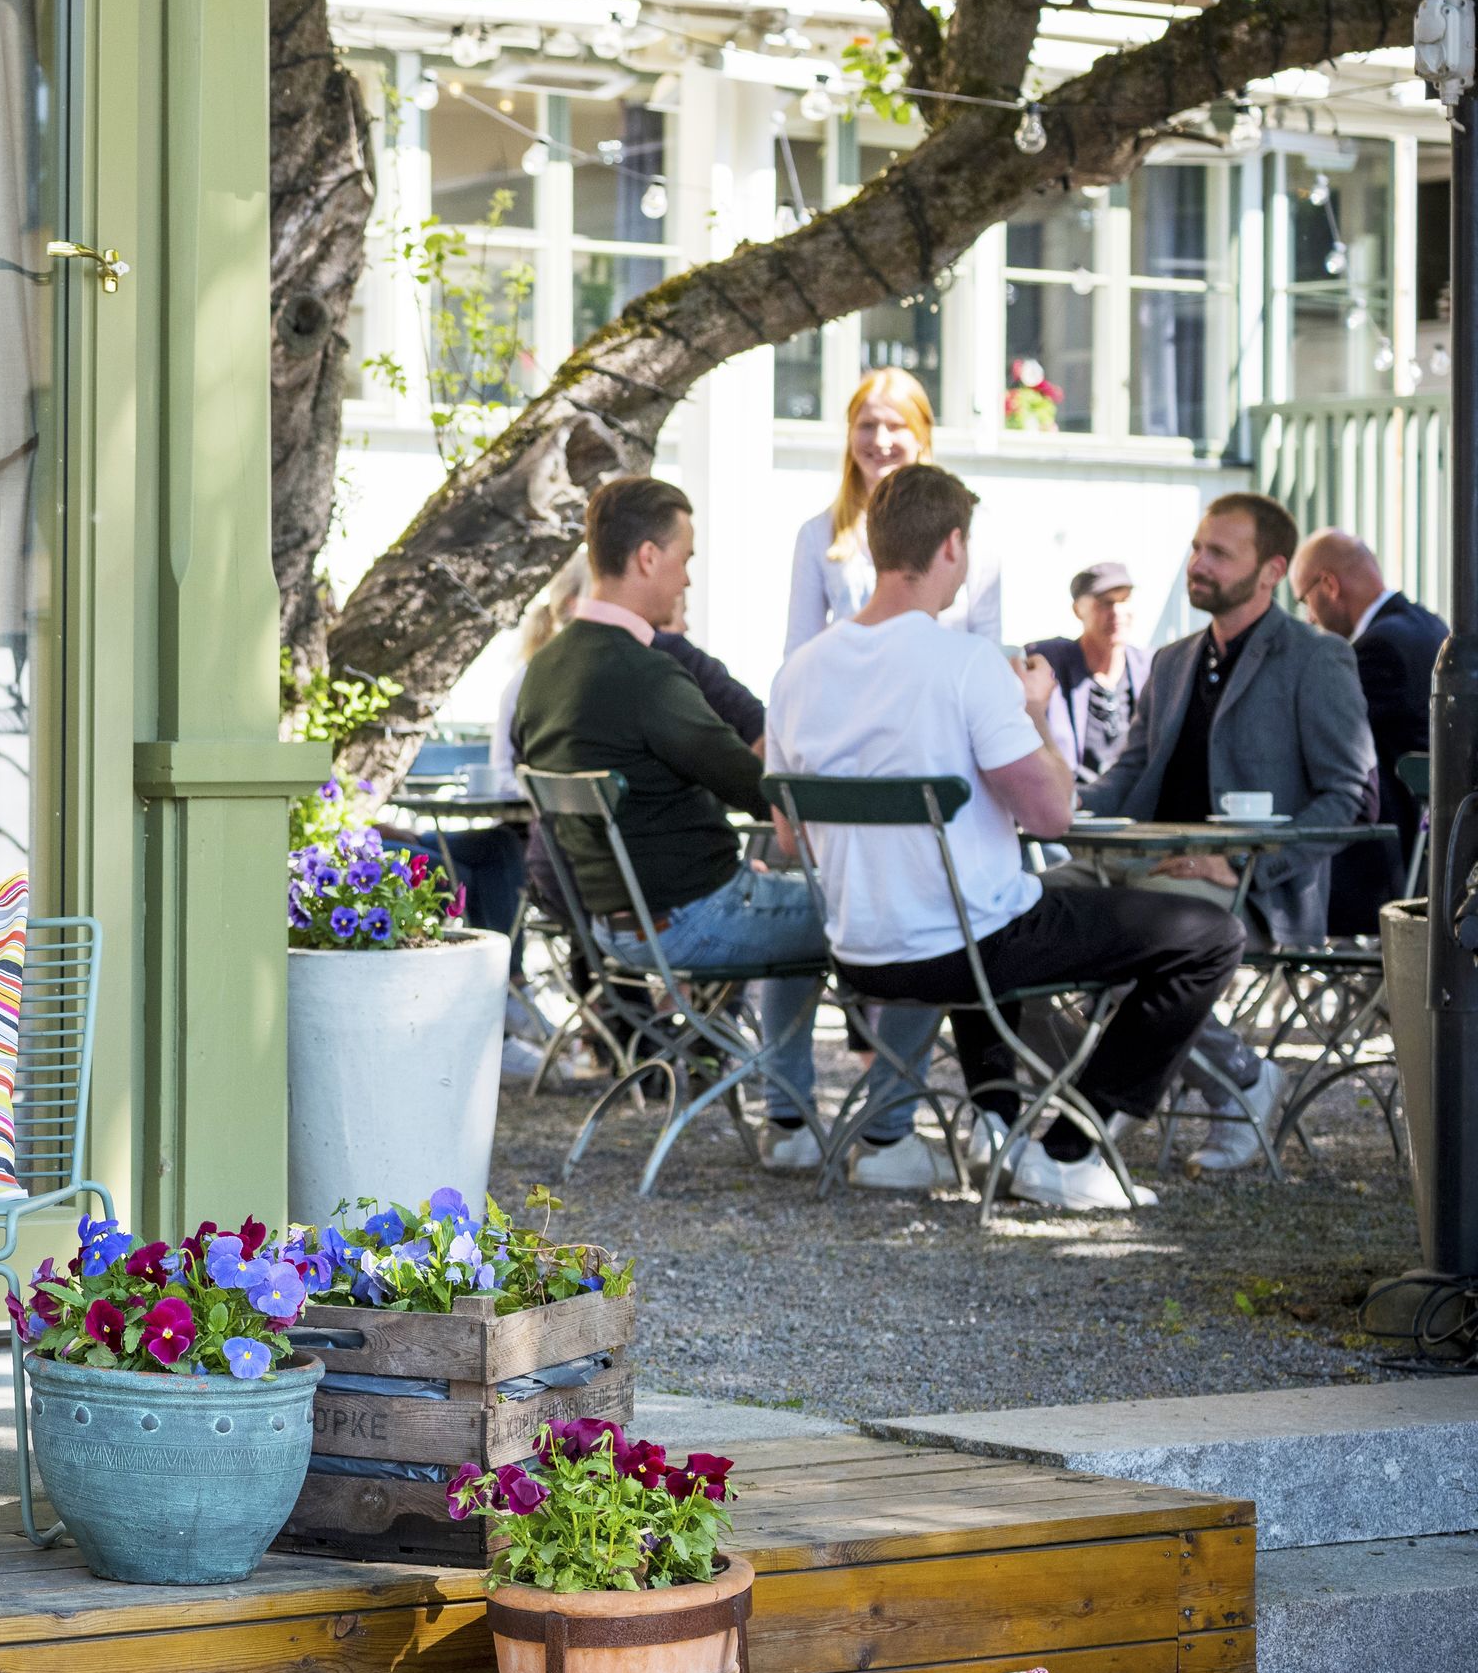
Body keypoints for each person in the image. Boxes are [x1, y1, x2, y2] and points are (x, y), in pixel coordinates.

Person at [768, 464, 1245, 1214]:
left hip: (859, 949)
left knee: (1003, 901)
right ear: (953, 546)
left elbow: (790, 844)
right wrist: (1031, 709)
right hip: (965, 948)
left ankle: (1001, 1127)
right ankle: (1069, 1148)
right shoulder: (965, 667)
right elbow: (1054, 816)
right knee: (1209, 935)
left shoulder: (797, 674)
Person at [511, 475, 931, 1183]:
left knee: (804, 907)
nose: (687, 577)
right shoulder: (645, 677)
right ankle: (890, 1138)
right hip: (698, 920)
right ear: (647, 557)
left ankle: (791, 1123)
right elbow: (760, 788)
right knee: (916, 912)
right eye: (685, 557)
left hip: (614, 927)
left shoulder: (544, 672)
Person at [1086, 492, 1377, 1165]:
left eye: (1219, 552)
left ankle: (1223, 1084)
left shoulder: (1316, 658)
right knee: (1016, 917)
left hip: (1252, 886)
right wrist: (1045, 812)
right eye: (1196, 548)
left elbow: (1351, 799)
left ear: (1273, 571)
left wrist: (1247, 865)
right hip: (1149, 869)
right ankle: (1094, 1097)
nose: (1198, 563)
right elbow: (1125, 779)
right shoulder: (1172, 660)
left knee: (1126, 941)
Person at [786, 367, 1007, 654]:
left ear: (921, 434)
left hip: (944, 691)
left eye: (895, 426)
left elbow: (988, 637)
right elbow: (800, 649)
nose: (880, 440)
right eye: (867, 425)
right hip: (859, 693)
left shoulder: (971, 523)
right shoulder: (818, 533)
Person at [1291, 528, 1445, 938]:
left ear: (1328, 584)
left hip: (1387, 872)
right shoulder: (1427, 625)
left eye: (1304, 600)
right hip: (1430, 859)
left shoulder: (1379, 649)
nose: (1308, 616)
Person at [1029, 560, 1149, 787]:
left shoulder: (1150, 668)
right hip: (1074, 804)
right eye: (1105, 603)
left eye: (1124, 600)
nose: (1117, 612)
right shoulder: (1053, 665)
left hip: (1132, 805)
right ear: (1077, 610)